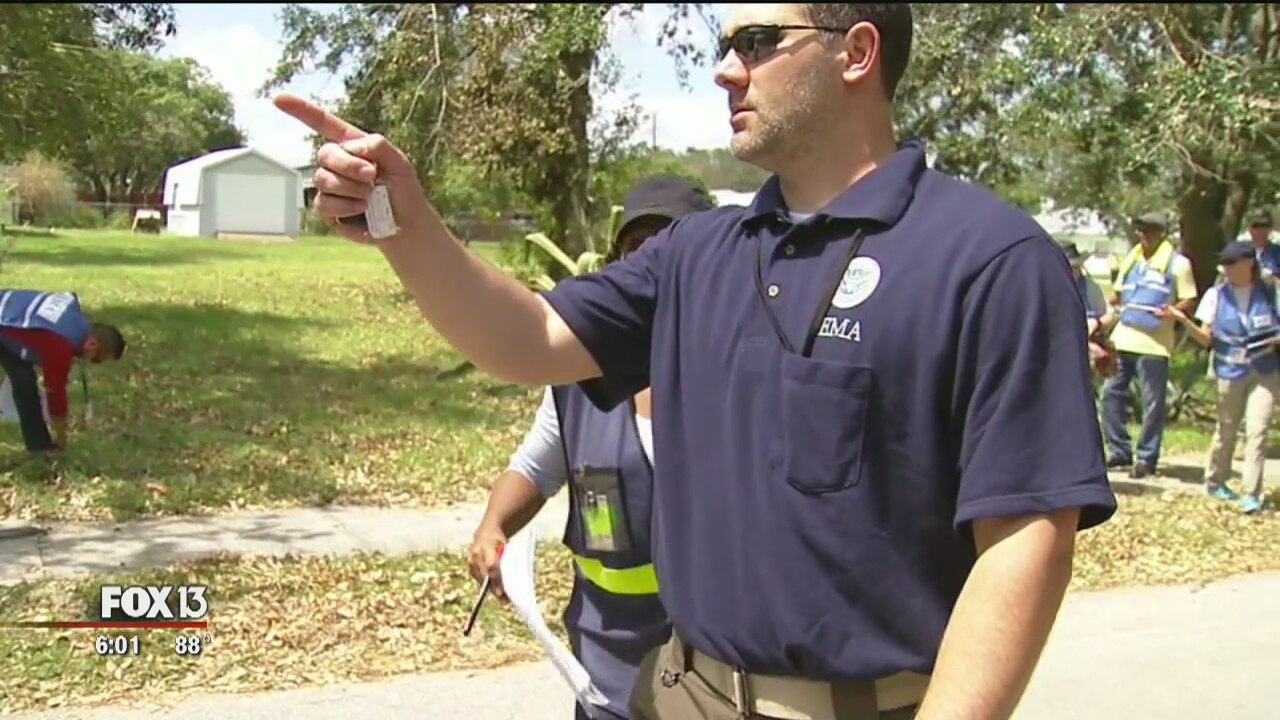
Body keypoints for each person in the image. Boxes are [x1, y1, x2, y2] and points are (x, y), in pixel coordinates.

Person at [278, 3, 1118, 719]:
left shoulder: (991, 258)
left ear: (856, 52)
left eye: (755, 43)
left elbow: (1027, 537)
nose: (724, 70)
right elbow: (525, 338)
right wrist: (405, 223)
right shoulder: (697, 252)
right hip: (683, 694)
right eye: (724, 47)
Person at [466, 175, 713, 720]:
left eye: (668, 244)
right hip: (607, 671)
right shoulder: (578, 383)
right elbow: (535, 465)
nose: (650, 262)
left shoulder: (736, 376)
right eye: (635, 248)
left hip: (710, 676)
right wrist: (493, 527)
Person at [1168, 241, 1279, 514]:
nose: (1226, 268)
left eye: (1231, 263)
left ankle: (1252, 494)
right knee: (1227, 430)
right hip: (1229, 372)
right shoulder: (1215, 296)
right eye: (1224, 263)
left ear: (1248, 264)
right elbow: (1207, 338)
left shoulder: (1270, 291)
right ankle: (1216, 480)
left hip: (1264, 372)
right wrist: (1183, 321)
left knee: (1257, 431)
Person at [1100, 212, 1198, 478]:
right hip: (1124, 337)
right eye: (1142, 230)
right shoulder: (1131, 260)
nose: (1145, 235)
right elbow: (1119, 292)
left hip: (1155, 344)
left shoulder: (1178, 264)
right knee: (1110, 395)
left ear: (1162, 233)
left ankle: (1147, 457)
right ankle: (1119, 450)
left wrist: (1172, 311)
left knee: (1153, 403)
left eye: (1151, 230)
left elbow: (1189, 298)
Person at [0, 290, 126, 454]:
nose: (91, 362)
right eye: (97, 359)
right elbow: (56, 396)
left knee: (24, 382)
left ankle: (40, 448)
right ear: (93, 344)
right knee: (25, 385)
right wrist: (61, 437)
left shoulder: (73, 315)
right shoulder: (60, 346)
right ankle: (42, 447)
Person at [1063, 243, 1117, 379]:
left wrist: (1096, 323)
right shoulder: (1047, 290)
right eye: (1070, 267)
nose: (1074, 272)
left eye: (1076, 267)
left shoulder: (1090, 288)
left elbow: (1109, 315)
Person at [1244, 208, 1280, 278]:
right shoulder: (1238, 252)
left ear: (1270, 228)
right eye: (1255, 226)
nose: (1260, 230)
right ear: (1249, 229)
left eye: (1264, 225)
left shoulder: (1278, 253)